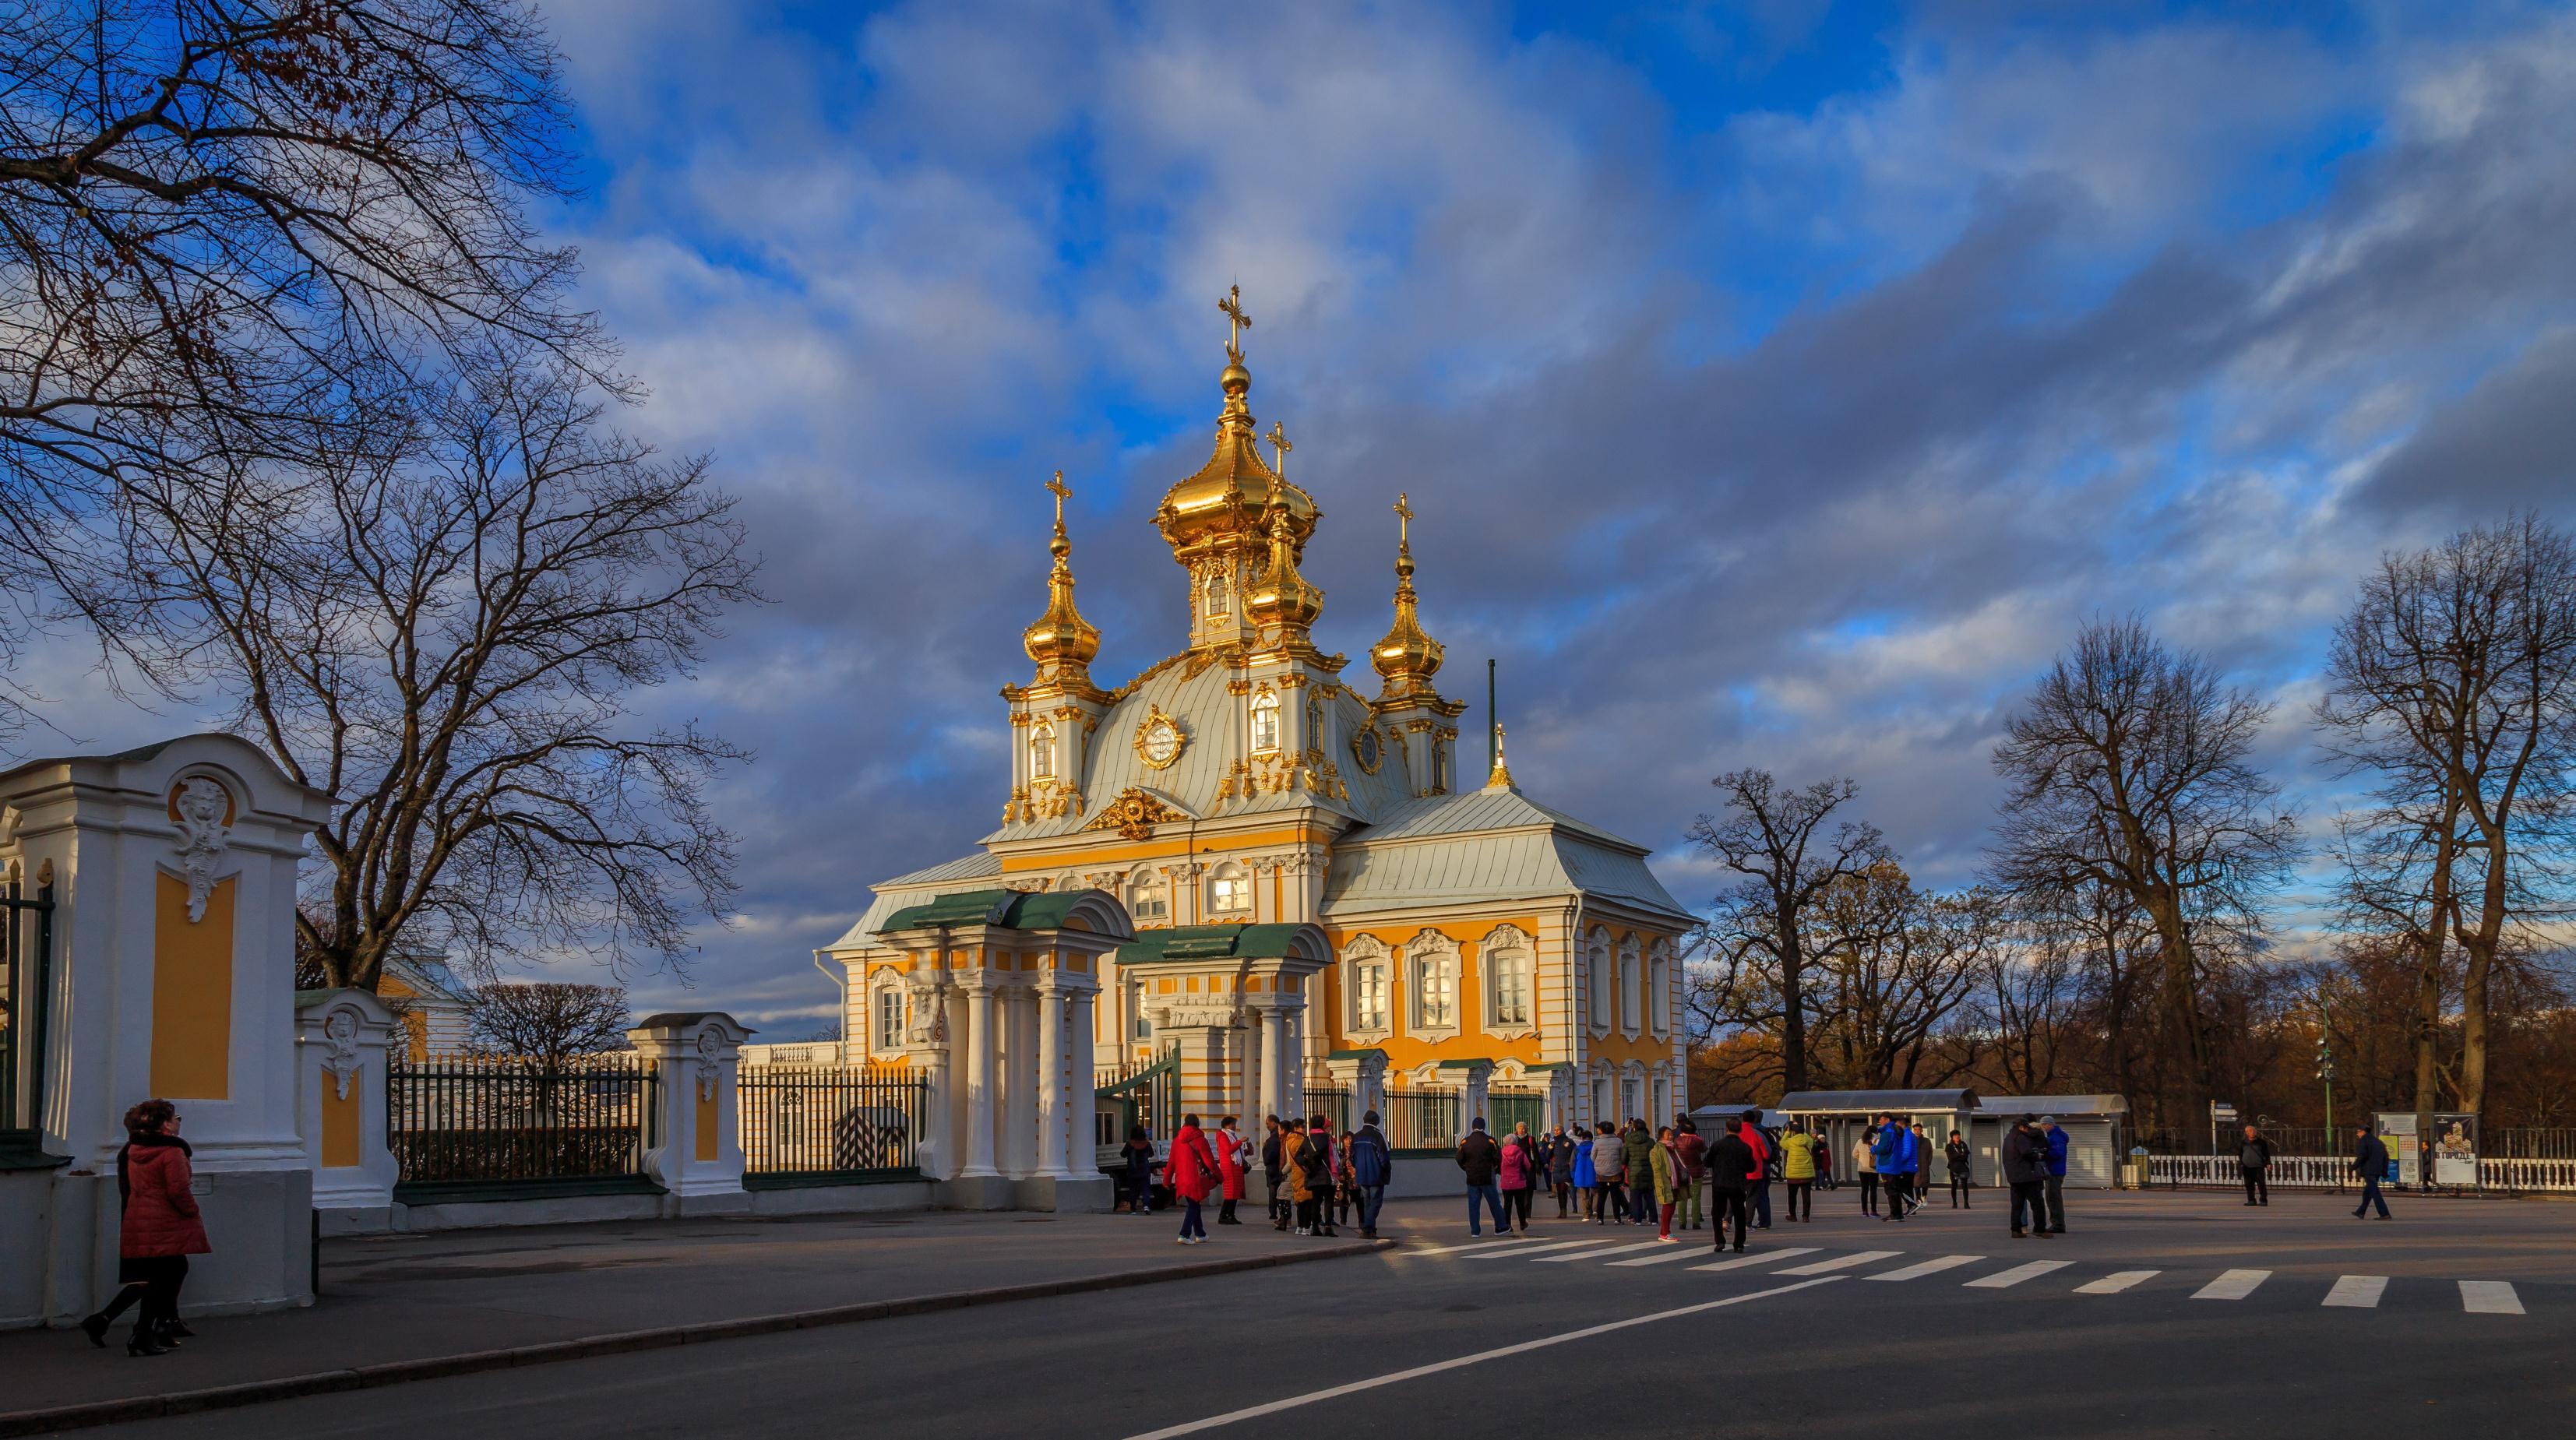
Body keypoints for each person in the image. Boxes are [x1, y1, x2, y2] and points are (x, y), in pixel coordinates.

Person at [81, 1100, 209, 1356]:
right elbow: (177, 1190)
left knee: (163, 1274)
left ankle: (127, 1324)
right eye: (175, 1117)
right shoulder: (171, 1151)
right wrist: (192, 1210)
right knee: (162, 1277)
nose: (179, 1121)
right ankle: (145, 1332)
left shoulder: (134, 1149)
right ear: (164, 1124)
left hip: (140, 1218)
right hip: (164, 1220)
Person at [1705, 1118, 1756, 1252]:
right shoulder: (1745, 1147)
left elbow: (1707, 1162)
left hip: (1719, 1183)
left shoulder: (1717, 1145)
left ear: (1726, 1129)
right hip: (1737, 1184)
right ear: (1740, 1130)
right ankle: (1739, 1243)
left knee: (1717, 1213)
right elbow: (1751, 1167)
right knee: (1739, 1213)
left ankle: (1720, 1241)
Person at [1168, 1114, 1220, 1245]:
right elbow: (1209, 1161)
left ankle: (1200, 1233)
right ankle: (1184, 1234)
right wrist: (1220, 1176)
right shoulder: (1200, 1139)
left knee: (1195, 1204)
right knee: (1193, 1206)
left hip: (1182, 1179)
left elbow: (1171, 1163)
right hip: (1195, 1179)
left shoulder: (1176, 1141)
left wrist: (1167, 1180)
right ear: (1197, 1124)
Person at [2002, 1114, 2053, 1238]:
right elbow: (2026, 1153)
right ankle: (2040, 1229)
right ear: (2021, 1127)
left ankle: (2016, 1229)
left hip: (2013, 1176)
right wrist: (2037, 1156)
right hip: (2026, 1176)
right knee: (2038, 1203)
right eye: (2026, 1127)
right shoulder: (2020, 1138)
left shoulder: (2008, 1138)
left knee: (2017, 1205)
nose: (2027, 1130)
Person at [1457, 1116, 1508, 1237]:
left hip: (1472, 1177)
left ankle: (1475, 1231)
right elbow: (1498, 1157)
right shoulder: (1490, 1141)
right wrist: (1495, 1169)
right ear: (1484, 1127)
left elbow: (1459, 1158)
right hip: (1487, 1176)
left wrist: (1467, 1168)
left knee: (1473, 1205)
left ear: (1472, 1127)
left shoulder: (1465, 1141)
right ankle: (1500, 1227)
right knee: (1494, 1202)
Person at [1348, 1110, 1393, 1238]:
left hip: (1362, 1175)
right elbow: (1384, 1157)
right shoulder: (1378, 1136)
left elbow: (1352, 1157)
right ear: (1377, 1121)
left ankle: (1370, 1229)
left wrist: (1359, 1167)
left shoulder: (1356, 1137)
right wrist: (1387, 1170)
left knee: (1367, 1202)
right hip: (1376, 1175)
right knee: (1375, 1202)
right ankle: (1367, 1227)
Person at [1279, 1118, 1317, 1235]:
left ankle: (1300, 1227)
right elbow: (1309, 1156)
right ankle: (1306, 1227)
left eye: (1304, 1126)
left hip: (1295, 1173)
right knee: (1307, 1202)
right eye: (1302, 1127)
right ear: (1295, 1128)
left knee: (1300, 1202)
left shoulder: (1288, 1140)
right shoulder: (1301, 1140)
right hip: (1304, 1172)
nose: (1304, 1129)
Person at [1650, 1125, 1687, 1241]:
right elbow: (1657, 1168)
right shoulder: (1657, 1149)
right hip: (1666, 1182)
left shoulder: (1672, 1148)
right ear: (1661, 1136)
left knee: (1671, 1207)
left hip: (1675, 1181)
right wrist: (1662, 1182)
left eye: (1671, 1134)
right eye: (1668, 1134)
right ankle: (1665, 1233)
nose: (1671, 1136)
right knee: (1668, 1207)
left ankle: (1664, 1232)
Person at [1500, 1122, 1538, 1233]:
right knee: (1520, 1203)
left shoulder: (1501, 1153)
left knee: (1507, 1204)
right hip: (1518, 1181)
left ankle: (1507, 1224)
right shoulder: (1520, 1152)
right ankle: (1522, 1222)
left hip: (1506, 1182)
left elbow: (1498, 1166)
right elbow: (1527, 1165)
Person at [1306, 1114, 1341, 1237]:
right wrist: (1337, 1171)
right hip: (1327, 1174)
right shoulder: (1327, 1138)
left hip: (1314, 1174)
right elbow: (1334, 1157)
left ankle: (1314, 1227)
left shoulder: (1308, 1138)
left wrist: (1307, 1166)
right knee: (1329, 1201)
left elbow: (1299, 1155)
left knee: (1316, 1201)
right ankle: (1328, 1227)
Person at [1738, 1110, 1774, 1229]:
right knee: (1761, 1195)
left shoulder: (1737, 1133)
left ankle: (1728, 1220)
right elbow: (1767, 1153)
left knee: (1737, 1196)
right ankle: (1764, 1221)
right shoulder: (1763, 1133)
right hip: (1760, 1167)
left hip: (1740, 1170)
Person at [2350, 1125, 2392, 1220]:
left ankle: (2384, 1213)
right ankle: (2361, 1211)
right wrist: (2384, 1171)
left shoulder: (2364, 1141)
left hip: (2369, 1170)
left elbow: (2362, 1156)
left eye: (2358, 1132)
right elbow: (2386, 1157)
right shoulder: (2378, 1142)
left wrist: (2353, 1167)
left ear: (2363, 1132)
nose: (2357, 1134)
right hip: (2377, 1170)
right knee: (2367, 1192)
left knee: (2375, 1192)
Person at [1590, 1121, 1627, 1223]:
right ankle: (1617, 1219)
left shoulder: (1597, 1142)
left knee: (1601, 1197)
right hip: (1615, 1172)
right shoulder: (1618, 1141)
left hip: (1601, 1173)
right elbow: (1622, 1156)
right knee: (1615, 1196)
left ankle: (1600, 1218)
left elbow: (1592, 1158)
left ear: (1602, 1130)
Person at [1780, 1118, 1817, 1222]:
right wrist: (1800, 1129)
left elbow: (1782, 1143)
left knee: (1792, 1196)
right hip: (1807, 1173)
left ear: (1793, 1132)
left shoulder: (1791, 1142)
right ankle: (1806, 1216)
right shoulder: (1809, 1140)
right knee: (1806, 1196)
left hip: (1793, 1174)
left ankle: (1793, 1215)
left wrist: (1788, 1132)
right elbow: (1806, 1137)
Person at [1673, 1119, 1707, 1231]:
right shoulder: (1698, 1140)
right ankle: (1696, 1223)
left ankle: (1682, 1223)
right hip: (1696, 1172)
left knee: (1682, 1198)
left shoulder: (1677, 1141)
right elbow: (1704, 1150)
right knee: (1696, 1199)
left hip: (1682, 1172)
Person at [1214, 1116, 1249, 1225]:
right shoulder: (1223, 1136)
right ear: (1227, 1125)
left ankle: (1231, 1215)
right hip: (1229, 1168)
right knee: (1230, 1194)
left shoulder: (1232, 1136)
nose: (1235, 1126)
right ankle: (1223, 1216)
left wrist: (1247, 1147)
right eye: (1233, 1124)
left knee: (1235, 1194)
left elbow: (1238, 1152)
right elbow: (1229, 1150)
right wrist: (1239, 1141)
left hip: (1236, 1167)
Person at [1621, 1118, 1657, 1223]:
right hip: (1648, 1171)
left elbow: (1623, 1158)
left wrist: (1629, 1163)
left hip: (1634, 1171)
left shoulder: (1628, 1140)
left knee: (1635, 1196)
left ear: (1634, 1128)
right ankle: (1653, 1219)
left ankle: (1637, 1219)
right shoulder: (1651, 1141)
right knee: (1650, 1196)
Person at [2041, 1117, 2071, 1233]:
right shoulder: (2055, 1136)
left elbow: (2058, 1153)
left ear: (2050, 1125)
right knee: (2052, 1197)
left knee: (2053, 1198)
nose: (2043, 1127)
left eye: (2045, 1125)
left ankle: (2058, 1224)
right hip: (2055, 1170)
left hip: (2055, 1171)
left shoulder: (2056, 1137)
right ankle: (2057, 1223)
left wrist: (2045, 1152)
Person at [1120, 1125, 1158, 1216]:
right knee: (1146, 1190)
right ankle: (1146, 1206)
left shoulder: (1130, 1144)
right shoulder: (1147, 1144)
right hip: (1145, 1170)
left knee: (1133, 1191)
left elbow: (1123, 1154)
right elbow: (1152, 1154)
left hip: (1132, 1171)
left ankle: (1133, 1209)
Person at [1262, 1115, 1289, 1231]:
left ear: (1274, 1123)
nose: (1267, 1126)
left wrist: (1264, 1151)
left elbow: (1269, 1157)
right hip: (1279, 1170)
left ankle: (1279, 1216)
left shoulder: (1273, 1139)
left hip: (1275, 1170)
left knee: (1277, 1194)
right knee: (1282, 1195)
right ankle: (1284, 1218)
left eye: (1268, 1123)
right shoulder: (1279, 1138)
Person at [1548, 1124, 1580, 1219]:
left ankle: (1564, 1210)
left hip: (1566, 1168)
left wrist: (1570, 1162)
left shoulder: (1568, 1141)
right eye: (1555, 1130)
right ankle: (1561, 1210)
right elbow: (1547, 1156)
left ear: (1562, 1131)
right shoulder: (1554, 1143)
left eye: (1558, 1130)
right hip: (1557, 1168)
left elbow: (1574, 1153)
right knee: (1559, 1191)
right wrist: (1550, 1148)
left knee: (1563, 1190)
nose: (1556, 1131)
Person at [2239, 1123, 2274, 1207]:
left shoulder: (2261, 1142)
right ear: (2247, 1133)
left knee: (2261, 1184)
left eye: (2254, 1131)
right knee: (2249, 1185)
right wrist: (2242, 1163)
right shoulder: (2243, 1143)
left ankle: (2263, 1200)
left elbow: (2266, 1154)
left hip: (2258, 1166)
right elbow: (2240, 1154)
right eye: (2251, 1131)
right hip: (2247, 1167)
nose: (2253, 1132)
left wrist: (2268, 1163)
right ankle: (2251, 1200)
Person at [1570, 1121, 1599, 1220]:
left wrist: (1572, 1174)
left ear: (1582, 1138)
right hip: (1594, 1173)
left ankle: (1586, 1214)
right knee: (1596, 1193)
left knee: (1584, 1196)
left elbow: (1572, 1162)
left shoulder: (1577, 1149)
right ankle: (1596, 1210)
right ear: (1591, 1138)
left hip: (1580, 1174)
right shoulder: (1595, 1147)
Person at [1854, 1124, 1879, 1216]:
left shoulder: (1860, 1141)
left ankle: (1864, 1211)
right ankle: (1874, 1211)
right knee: (1873, 1190)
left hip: (1862, 1168)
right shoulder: (1877, 1140)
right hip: (1873, 1169)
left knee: (1864, 1190)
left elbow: (1854, 1154)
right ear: (1876, 1132)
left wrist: (1862, 1159)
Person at [1944, 1129, 1972, 1209]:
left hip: (1963, 1168)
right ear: (1952, 1137)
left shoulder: (1964, 1144)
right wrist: (1960, 1155)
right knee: (1954, 1185)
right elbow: (1950, 1158)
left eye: (1958, 1135)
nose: (1957, 1137)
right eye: (1955, 1135)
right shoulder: (1949, 1146)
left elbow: (1966, 1156)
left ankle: (1966, 1203)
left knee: (1965, 1186)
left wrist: (1958, 1156)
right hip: (1954, 1168)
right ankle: (1954, 1203)